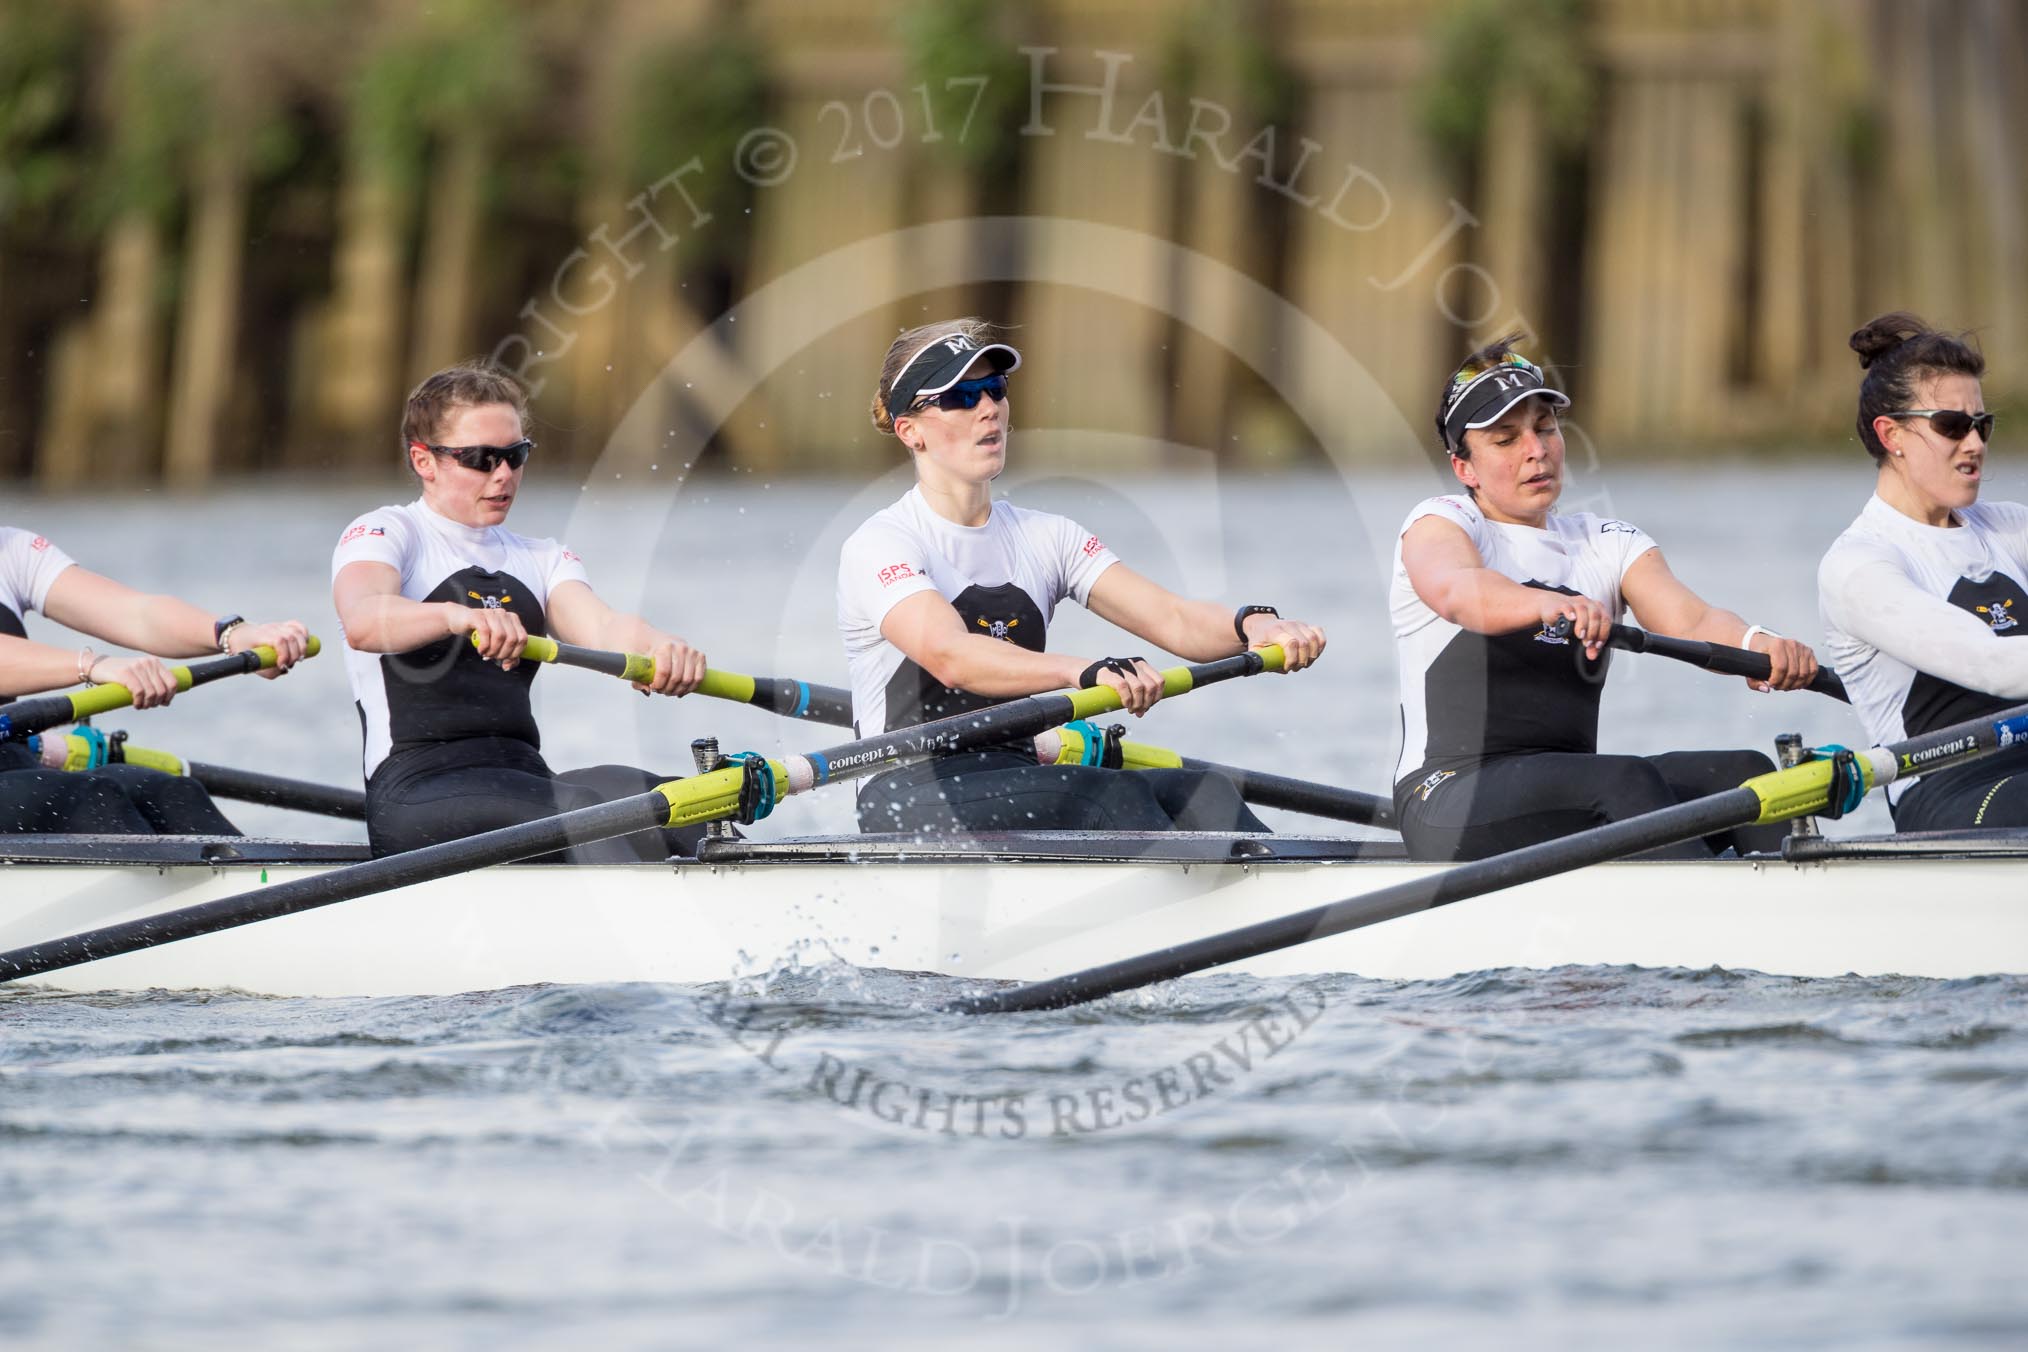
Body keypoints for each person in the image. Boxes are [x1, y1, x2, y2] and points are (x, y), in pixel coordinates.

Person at [838, 318, 1327, 836]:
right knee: (1107, 793)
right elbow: (952, 657)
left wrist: (1252, 625)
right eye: (960, 397)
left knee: (1202, 792)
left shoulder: (1048, 536)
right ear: (909, 429)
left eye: (995, 390)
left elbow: (1174, 618)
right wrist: (1082, 671)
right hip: (909, 790)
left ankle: (1299, 896)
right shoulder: (882, 544)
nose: (988, 409)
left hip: (1017, 772)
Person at [1391, 335, 1821, 862]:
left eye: (1545, 429)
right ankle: (1710, 922)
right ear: (1465, 469)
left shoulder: (1605, 542)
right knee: (1624, 780)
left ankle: (1804, 916)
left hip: (1568, 792)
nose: (1536, 450)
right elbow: (1455, 589)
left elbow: (1691, 619)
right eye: (1506, 440)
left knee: (1742, 776)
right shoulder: (1443, 522)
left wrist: (1761, 643)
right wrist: (1541, 604)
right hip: (1446, 795)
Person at [332, 362, 710, 862]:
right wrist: (457, 617)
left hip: (522, 778)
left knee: (685, 807)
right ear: (425, 461)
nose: (504, 474)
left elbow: (602, 625)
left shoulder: (541, 557)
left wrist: (659, 648)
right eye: (482, 458)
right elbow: (363, 620)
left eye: (515, 455)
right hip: (417, 789)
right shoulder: (387, 534)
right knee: (584, 813)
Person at [1818, 313, 2026, 830]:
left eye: (1981, 425)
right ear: (1893, 435)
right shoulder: (1860, 565)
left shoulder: (2012, 529)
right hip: (1952, 794)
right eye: (1952, 426)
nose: (1974, 444)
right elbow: (1994, 666)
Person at [0, 526, 309, 834]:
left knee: (169, 791)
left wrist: (233, 634)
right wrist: (92, 666)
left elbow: (138, 614)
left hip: (11, 757)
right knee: (88, 798)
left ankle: (266, 875)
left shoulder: (13, 549)